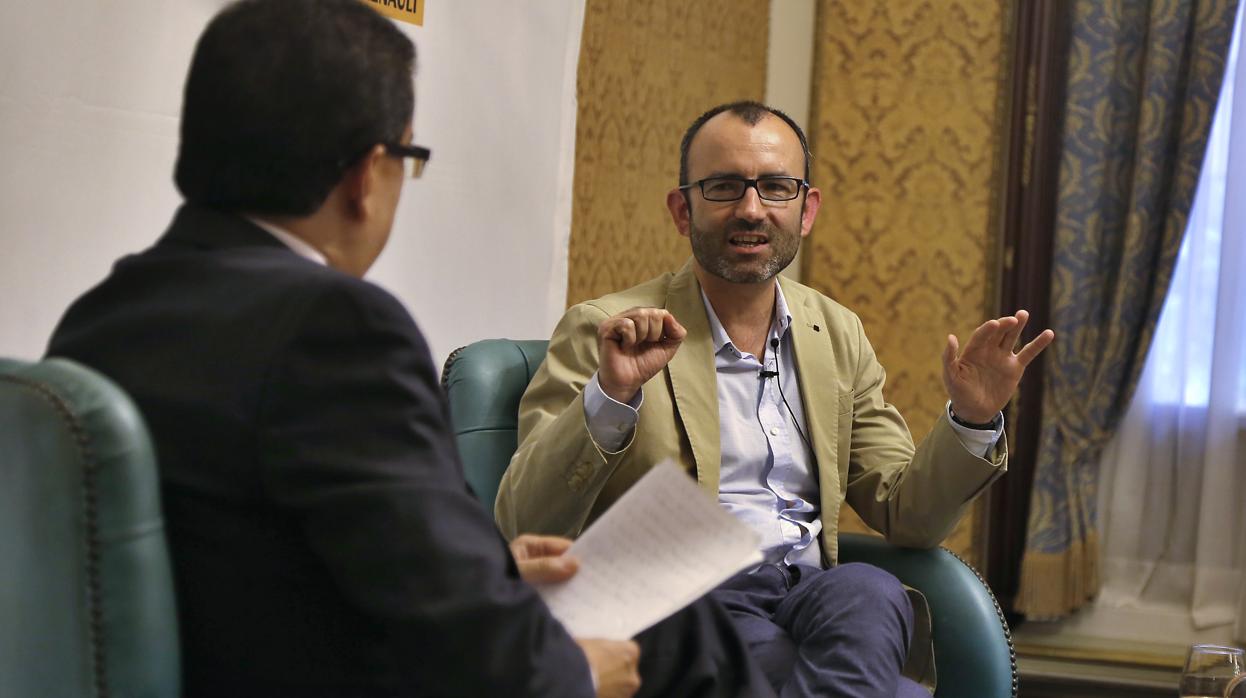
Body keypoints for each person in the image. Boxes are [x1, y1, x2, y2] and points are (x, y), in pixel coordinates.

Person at [46, 4, 773, 697]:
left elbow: (269, 544)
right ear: (368, 174)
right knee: (681, 628)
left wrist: (494, 568)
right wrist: (573, 677)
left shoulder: (97, 316)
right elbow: (462, 642)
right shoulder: (331, 327)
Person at [495, 100, 1055, 697]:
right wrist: (612, 394)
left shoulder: (836, 333)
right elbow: (523, 518)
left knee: (874, 591)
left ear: (806, 209)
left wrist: (973, 418)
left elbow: (907, 512)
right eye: (724, 187)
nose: (752, 210)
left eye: (776, 187)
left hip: (813, 589)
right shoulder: (606, 329)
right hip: (690, 599)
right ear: (682, 210)